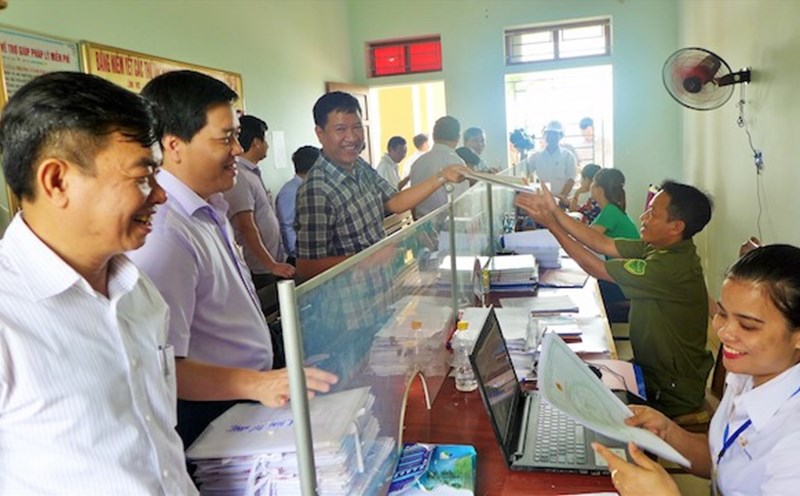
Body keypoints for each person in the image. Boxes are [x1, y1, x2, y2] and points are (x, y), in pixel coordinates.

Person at [0, 72, 196, 493]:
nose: (160, 195)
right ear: (57, 181)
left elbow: (157, 444)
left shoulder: (135, 289)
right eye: (142, 175)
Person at [128, 70, 337, 447]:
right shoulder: (164, 233)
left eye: (237, 136)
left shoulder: (209, 206)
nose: (239, 150)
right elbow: (163, 366)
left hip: (252, 394)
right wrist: (257, 383)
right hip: (213, 412)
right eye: (226, 138)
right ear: (174, 145)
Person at [594, 244, 800, 496]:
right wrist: (667, 431)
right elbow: (722, 461)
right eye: (722, 314)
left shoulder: (793, 443)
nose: (724, 332)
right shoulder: (748, 373)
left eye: (747, 326)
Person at [516, 180, 714, 417]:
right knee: (576, 378)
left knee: (576, 402)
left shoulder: (669, 267)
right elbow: (602, 243)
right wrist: (555, 212)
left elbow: (597, 267)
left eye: (653, 213)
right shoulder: (663, 247)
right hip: (651, 370)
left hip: (669, 389)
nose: (643, 217)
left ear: (676, 226)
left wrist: (552, 225)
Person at [294, 92, 469, 280]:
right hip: (348, 303)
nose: (352, 137)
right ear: (320, 134)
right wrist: (365, 259)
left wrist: (442, 176)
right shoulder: (316, 189)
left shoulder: (360, 166)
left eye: (357, 127)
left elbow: (395, 201)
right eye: (340, 129)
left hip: (380, 289)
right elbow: (306, 267)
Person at [222, 114, 295, 293]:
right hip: (260, 267)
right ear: (256, 142)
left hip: (270, 262)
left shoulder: (251, 174)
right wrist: (270, 264)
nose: (267, 146)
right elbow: (246, 226)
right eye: (265, 141)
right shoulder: (239, 176)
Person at [408, 115, 470, 219]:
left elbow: (413, 202)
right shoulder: (456, 163)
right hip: (447, 228)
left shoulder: (417, 163)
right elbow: (461, 203)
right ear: (458, 138)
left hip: (421, 226)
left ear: (433, 136)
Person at [275, 145, 319, 265]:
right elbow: (286, 226)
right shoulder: (290, 191)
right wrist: (298, 253)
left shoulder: (311, 187)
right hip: (300, 258)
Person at [523, 120, 577, 203]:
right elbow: (525, 175)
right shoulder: (536, 157)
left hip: (560, 201)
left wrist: (560, 197)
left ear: (561, 136)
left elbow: (571, 180)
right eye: (549, 134)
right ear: (544, 135)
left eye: (555, 134)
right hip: (542, 201)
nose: (551, 137)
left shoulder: (568, 156)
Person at [590, 168, 639, 240]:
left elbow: (588, 237)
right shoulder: (611, 209)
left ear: (599, 189)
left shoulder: (611, 211)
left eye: (593, 182)